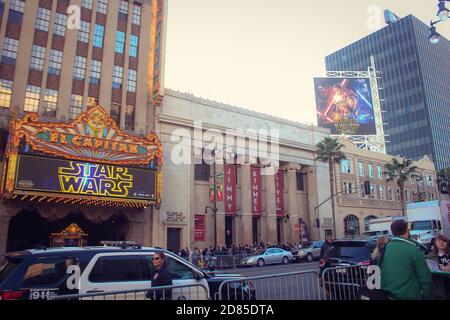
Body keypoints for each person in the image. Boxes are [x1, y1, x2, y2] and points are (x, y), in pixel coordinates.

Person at [380, 220, 432, 300]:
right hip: (411, 294)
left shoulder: (385, 248)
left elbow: (381, 270)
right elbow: (424, 276)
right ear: (407, 231)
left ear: (392, 232)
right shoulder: (413, 248)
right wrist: (425, 294)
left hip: (389, 294)